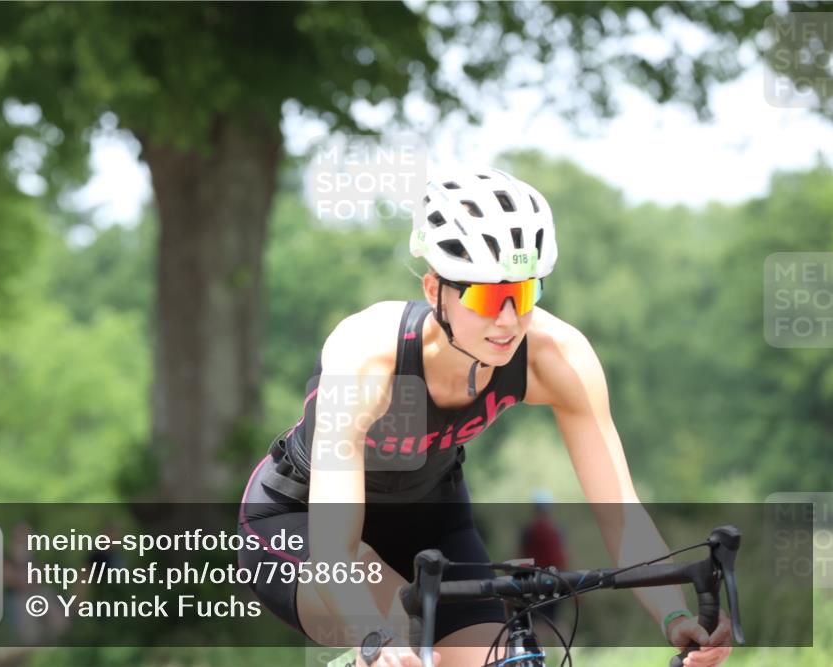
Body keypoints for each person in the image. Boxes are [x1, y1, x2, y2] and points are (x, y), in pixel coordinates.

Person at [237, 168, 733, 667]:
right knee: (403, 637)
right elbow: (333, 551)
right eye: (489, 297)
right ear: (435, 290)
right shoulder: (367, 355)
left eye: (525, 294)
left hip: (432, 521)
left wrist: (675, 618)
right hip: (300, 521)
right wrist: (373, 638)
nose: (509, 320)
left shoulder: (556, 356)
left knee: (507, 661)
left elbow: (620, 513)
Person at [518, 490, 567, 624]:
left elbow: (521, 555)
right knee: (554, 620)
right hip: (555, 579)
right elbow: (562, 557)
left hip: (534, 581)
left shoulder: (528, 529)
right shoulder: (556, 529)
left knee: (535, 619)